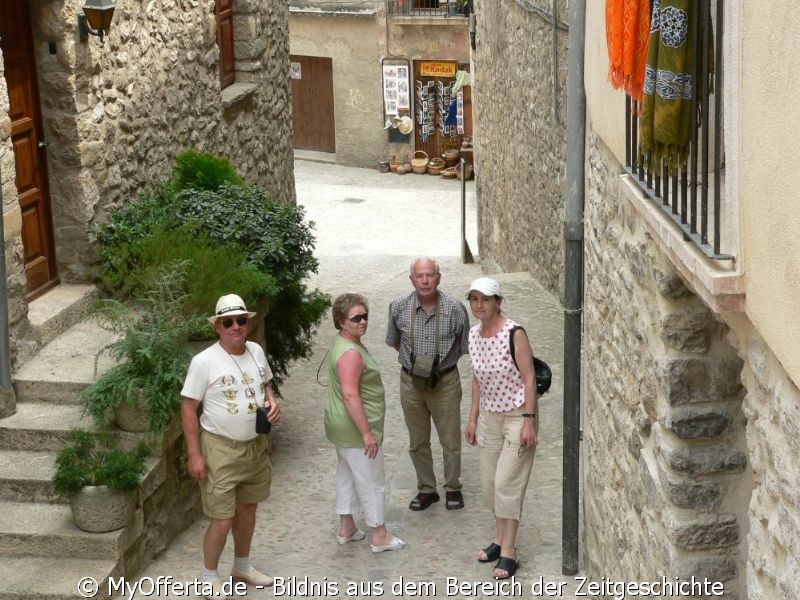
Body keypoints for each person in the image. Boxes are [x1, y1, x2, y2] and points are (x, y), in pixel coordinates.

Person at [180, 294, 281, 596]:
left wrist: (273, 402)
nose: (236, 326)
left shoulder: (256, 351)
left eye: (241, 320)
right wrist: (195, 454)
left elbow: (266, 385)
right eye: (228, 322)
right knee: (222, 519)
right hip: (220, 450)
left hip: (255, 447)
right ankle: (210, 577)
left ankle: (242, 566)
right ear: (218, 327)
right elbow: (188, 408)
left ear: (248, 323)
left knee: (248, 508)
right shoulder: (204, 362)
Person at [464, 277, 538, 580]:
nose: (479, 305)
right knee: (490, 484)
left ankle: (510, 551)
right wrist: (471, 418)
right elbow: (476, 379)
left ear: (498, 301)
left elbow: (530, 378)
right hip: (489, 418)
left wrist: (529, 420)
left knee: (507, 483)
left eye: (485, 299)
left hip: (518, 415)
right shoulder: (473, 335)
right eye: (474, 299)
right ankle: (499, 539)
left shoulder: (514, 333)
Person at [386, 257, 470, 511]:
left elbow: (463, 345)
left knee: (450, 439)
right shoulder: (398, 306)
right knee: (418, 439)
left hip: (445, 381)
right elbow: (394, 340)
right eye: (419, 276)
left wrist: (439, 366)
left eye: (430, 275)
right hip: (410, 382)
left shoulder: (455, 308)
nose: (425, 280)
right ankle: (426, 489)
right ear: (411, 279)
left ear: (438, 278)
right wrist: (417, 365)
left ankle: (453, 487)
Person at [325, 293, 406, 553]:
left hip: (340, 426)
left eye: (365, 316)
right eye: (356, 318)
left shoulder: (343, 343)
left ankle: (346, 527)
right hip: (354, 428)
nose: (363, 322)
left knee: (347, 474)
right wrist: (367, 433)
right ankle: (379, 534)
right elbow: (350, 395)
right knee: (372, 479)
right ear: (340, 321)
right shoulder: (350, 353)